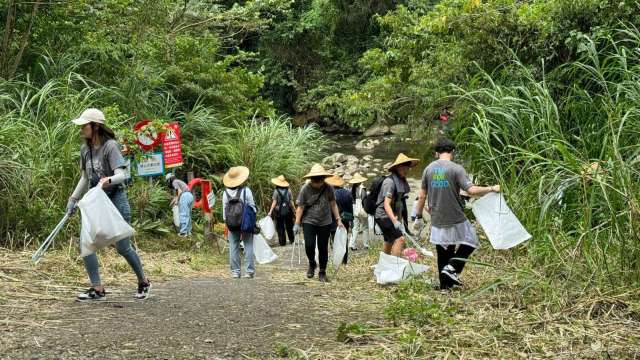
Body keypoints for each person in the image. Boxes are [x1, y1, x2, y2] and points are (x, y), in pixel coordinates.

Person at [66, 108, 151, 301]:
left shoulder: (110, 146)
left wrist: (108, 180)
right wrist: (72, 199)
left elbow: (121, 175)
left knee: (122, 247)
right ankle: (97, 289)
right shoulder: (85, 150)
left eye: (84, 125)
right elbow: (85, 178)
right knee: (86, 244)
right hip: (96, 203)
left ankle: (143, 281)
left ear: (95, 126)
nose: (81, 129)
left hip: (115, 200)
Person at [413, 138, 500, 290]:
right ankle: (452, 268)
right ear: (452, 152)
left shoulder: (428, 169)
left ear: (436, 153)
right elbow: (471, 190)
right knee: (471, 240)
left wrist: (418, 216)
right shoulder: (456, 169)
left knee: (444, 250)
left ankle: (445, 286)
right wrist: (492, 188)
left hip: (437, 217)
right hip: (455, 216)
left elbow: (421, 196)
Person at [294, 164, 345, 282]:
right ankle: (312, 263)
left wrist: (338, 220)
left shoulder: (328, 188)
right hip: (309, 221)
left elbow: (333, 204)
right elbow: (300, 207)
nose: (318, 183)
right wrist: (297, 223)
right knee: (309, 245)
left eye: (320, 180)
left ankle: (322, 271)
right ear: (311, 179)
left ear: (323, 178)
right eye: (315, 180)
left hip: (325, 221)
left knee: (323, 247)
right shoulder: (305, 189)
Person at [374, 153, 419, 256]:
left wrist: (399, 220)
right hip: (383, 215)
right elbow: (386, 204)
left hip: (390, 216)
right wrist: (395, 221)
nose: (406, 171)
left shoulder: (401, 181)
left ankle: (384, 265)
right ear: (397, 167)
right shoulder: (389, 182)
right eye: (403, 168)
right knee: (400, 239)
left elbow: (399, 202)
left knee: (389, 241)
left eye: (407, 168)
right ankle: (395, 268)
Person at [222, 166, 257, 279]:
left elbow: (224, 212)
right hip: (245, 222)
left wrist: (227, 224)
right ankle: (249, 271)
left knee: (233, 246)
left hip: (231, 223)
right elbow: (252, 207)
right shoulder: (246, 191)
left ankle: (236, 272)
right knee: (248, 245)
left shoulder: (225, 193)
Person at [326, 175, 353, 265]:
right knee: (344, 239)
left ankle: (337, 259)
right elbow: (350, 208)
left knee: (334, 239)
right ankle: (344, 261)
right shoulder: (347, 193)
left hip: (333, 219)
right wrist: (351, 219)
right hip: (345, 219)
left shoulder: (330, 193)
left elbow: (329, 207)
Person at [268, 175, 296, 246]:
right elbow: (291, 201)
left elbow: (274, 202)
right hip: (288, 211)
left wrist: (270, 211)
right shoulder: (288, 190)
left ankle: (282, 242)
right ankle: (292, 240)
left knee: (280, 227)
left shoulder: (276, 191)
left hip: (278, 212)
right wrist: (294, 210)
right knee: (289, 226)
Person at [348, 173, 369, 251]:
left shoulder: (351, 189)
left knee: (355, 228)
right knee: (365, 227)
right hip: (361, 209)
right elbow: (364, 200)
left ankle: (352, 244)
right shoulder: (362, 189)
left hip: (354, 209)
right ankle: (366, 245)